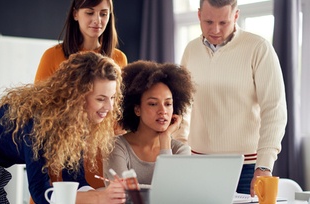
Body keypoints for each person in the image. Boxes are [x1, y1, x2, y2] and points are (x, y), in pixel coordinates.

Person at [0, 52, 126, 204]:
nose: (110, 107)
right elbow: (41, 195)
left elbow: (75, 181)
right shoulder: (40, 121)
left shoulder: (73, 123)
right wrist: (99, 197)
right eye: (101, 99)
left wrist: (105, 196)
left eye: (112, 98)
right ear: (78, 96)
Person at [179, 0, 287, 196]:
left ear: (236, 16)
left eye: (223, 22)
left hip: (247, 167)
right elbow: (182, 108)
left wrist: (264, 165)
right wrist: (180, 152)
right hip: (197, 164)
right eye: (208, 22)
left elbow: (274, 110)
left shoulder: (258, 48)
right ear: (198, 15)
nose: (215, 30)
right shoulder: (191, 50)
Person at [34, 0, 127, 189]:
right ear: (76, 14)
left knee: (95, 195)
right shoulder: (52, 56)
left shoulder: (119, 59)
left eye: (103, 13)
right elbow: (39, 112)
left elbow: (116, 115)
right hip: (61, 152)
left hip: (99, 155)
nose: (97, 20)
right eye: (90, 12)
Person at [103, 60, 195, 185]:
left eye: (168, 104)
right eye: (153, 104)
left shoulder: (181, 151)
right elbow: (123, 195)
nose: (163, 111)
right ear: (137, 109)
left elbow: (174, 194)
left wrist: (165, 139)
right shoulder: (115, 147)